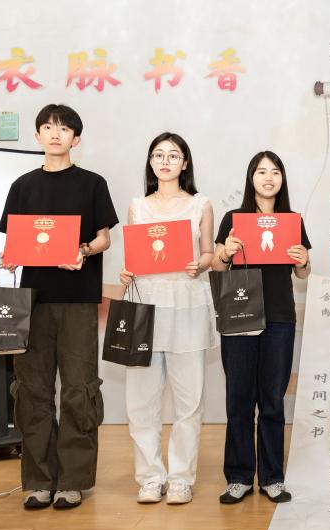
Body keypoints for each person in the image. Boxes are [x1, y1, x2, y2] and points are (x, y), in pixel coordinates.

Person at [0, 103, 119, 510]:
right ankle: (38, 480)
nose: (55, 134)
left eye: (64, 129)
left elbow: (104, 239)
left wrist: (82, 250)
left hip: (78, 298)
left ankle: (74, 480)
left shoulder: (92, 183)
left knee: (79, 389)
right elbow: (15, 241)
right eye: (48, 127)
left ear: (76, 139)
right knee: (32, 389)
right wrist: (10, 257)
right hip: (32, 300)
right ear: (37, 135)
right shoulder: (22, 186)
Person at [119, 132, 216, 505]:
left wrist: (200, 264)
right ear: (150, 162)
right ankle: (149, 477)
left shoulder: (200, 204)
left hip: (186, 304)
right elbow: (134, 259)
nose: (165, 161)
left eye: (173, 155)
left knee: (189, 400)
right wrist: (127, 273)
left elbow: (208, 253)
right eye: (158, 155)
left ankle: (180, 478)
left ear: (184, 163)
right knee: (140, 400)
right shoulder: (137, 206)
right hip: (144, 306)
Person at [211, 151, 311, 504]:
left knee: (272, 400)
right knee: (239, 399)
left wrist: (303, 261)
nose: (269, 178)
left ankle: (272, 477)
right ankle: (238, 477)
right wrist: (226, 252)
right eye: (261, 171)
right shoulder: (233, 219)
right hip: (240, 314)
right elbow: (217, 267)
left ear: (282, 179)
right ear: (251, 177)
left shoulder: (292, 221)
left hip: (280, 317)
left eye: (275, 172)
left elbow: (302, 273)